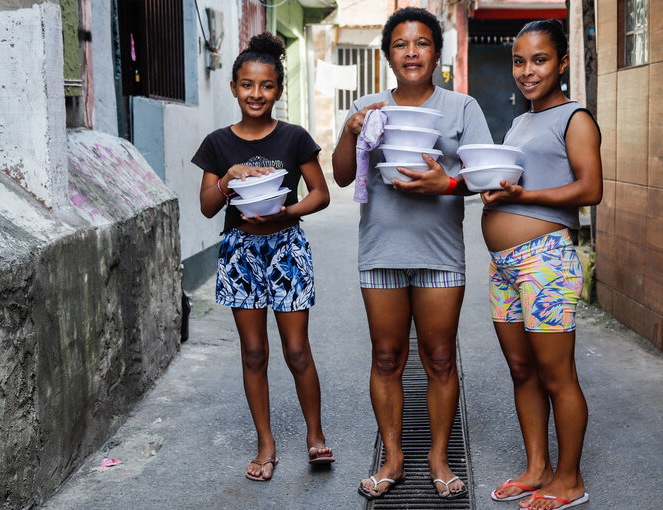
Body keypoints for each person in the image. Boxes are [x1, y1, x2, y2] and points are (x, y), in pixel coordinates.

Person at [331, 6, 493, 501]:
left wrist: (444, 182)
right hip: (380, 250)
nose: (412, 52)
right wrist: (350, 131)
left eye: (421, 43)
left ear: (437, 53)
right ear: (387, 55)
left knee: (440, 358)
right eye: (401, 44)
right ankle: (394, 457)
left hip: (440, 253)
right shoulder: (369, 105)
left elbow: (485, 177)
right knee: (386, 357)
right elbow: (341, 175)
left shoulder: (461, 108)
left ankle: (439, 457)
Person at [192, 32, 333, 482]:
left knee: (296, 351)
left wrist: (285, 211)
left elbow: (322, 194)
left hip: (287, 247)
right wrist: (228, 176)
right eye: (248, 85)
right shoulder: (218, 144)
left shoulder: (294, 138)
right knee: (254, 352)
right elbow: (208, 207)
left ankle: (315, 435)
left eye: (266, 85)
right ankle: (266, 443)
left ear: (278, 90)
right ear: (234, 88)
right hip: (240, 253)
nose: (257, 94)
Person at [480, 20, 602, 510]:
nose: (527, 71)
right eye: (519, 61)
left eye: (540, 60)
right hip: (504, 266)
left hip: (545, 261)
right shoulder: (521, 121)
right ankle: (537, 468)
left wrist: (525, 195)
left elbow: (591, 189)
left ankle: (569, 481)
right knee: (521, 370)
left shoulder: (575, 118)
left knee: (557, 376)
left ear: (563, 63)